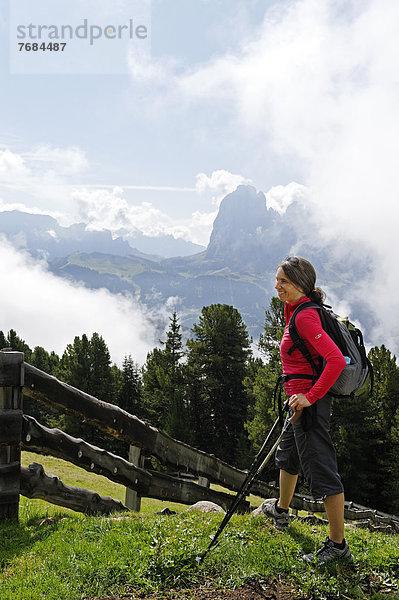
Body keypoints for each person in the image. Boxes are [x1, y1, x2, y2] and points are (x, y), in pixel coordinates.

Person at [261, 256, 353, 564]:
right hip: (297, 401)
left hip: (309, 405)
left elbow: (336, 360)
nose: (277, 285)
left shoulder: (304, 317)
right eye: (277, 279)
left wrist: (310, 397)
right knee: (288, 456)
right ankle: (281, 510)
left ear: (300, 285)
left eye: (283, 281)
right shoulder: (294, 309)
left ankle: (337, 546)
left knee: (322, 471)